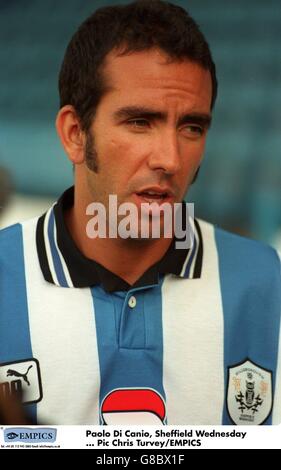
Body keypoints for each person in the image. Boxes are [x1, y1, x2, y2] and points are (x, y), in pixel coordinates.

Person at [0, 0, 280, 426]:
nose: (170, 158)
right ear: (75, 134)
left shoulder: (267, 285)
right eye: (140, 122)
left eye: (191, 127)